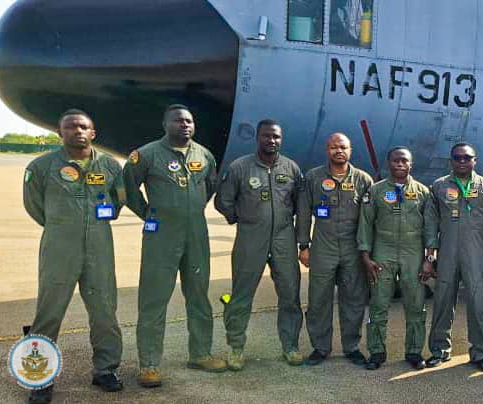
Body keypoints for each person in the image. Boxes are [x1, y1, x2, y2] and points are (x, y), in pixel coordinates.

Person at [23, 109, 125, 403]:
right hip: (59, 246)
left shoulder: (110, 165)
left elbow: (118, 201)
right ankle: (40, 377)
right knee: (49, 312)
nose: (77, 131)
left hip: (100, 246)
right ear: (60, 133)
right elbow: (34, 205)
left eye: (83, 127)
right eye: (70, 127)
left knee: (105, 309)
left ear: (93, 133)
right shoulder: (41, 166)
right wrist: (62, 225)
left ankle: (105, 369)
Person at [123, 104, 224, 387]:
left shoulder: (204, 155)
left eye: (189, 121)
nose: (186, 125)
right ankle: (149, 364)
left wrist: (191, 209)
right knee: (154, 298)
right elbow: (127, 188)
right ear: (165, 124)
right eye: (179, 121)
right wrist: (149, 214)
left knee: (199, 294)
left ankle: (201, 354)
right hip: (161, 236)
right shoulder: (146, 155)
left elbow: (210, 186)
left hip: (196, 233)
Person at [214, 119, 306, 370]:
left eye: (276, 137)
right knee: (241, 295)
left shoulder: (291, 168)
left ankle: (290, 346)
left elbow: (300, 204)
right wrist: (242, 218)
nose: (272, 141)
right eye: (267, 136)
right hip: (250, 238)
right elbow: (223, 201)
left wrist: (299, 238)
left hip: (283, 238)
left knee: (290, 294)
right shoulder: (240, 167)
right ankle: (236, 348)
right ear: (257, 137)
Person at [423, 142, 483, 372]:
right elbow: (430, 222)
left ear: (474, 161)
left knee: (478, 304)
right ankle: (439, 350)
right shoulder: (439, 186)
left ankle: (479, 353)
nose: (462, 161)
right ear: (451, 161)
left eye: (466, 158)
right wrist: (430, 255)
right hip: (447, 252)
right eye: (457, 158)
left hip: (476, 253)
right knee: (442, 301)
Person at [298, 132, 374, 366]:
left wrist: (368, 251)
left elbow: (370, 219)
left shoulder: (363, 180)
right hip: (323, 247)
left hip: (353, 249)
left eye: (343, 147)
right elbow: (303, 213)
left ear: (350, 150)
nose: (338, 151)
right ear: (327, 150)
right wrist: (304, 245)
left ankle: (351, 347)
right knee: (318, 300)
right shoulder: (313, 178)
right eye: (333, 147)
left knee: (353, 300)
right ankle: (321, 347)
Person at [357, 147, 430, 370]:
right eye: (395, 160)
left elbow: (431, 228)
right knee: (379, 304)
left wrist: (429, 258)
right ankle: (377, 352)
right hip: (384, 250)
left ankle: (414, 352)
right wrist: (365, 256)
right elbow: (365, 224)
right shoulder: (376, 191)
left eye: (404, 161)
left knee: (416, 305)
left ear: (411, 164)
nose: (400, 164)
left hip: (412, 252)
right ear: (388, 163)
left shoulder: (423, 192)